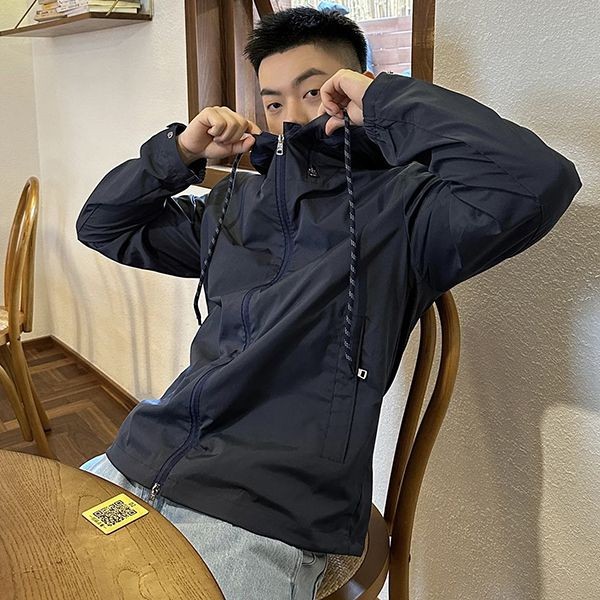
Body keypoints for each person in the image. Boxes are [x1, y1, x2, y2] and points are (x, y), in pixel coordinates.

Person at [75, 7, 582, 600]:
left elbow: (537, 182)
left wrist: (385, 101)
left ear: (353, 85)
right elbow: (103, 225)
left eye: (314, 91)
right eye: (272, 101)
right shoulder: (234, 204)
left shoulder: (404, 210)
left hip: (268, 510)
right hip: (144, 458)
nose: (291, 115)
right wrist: (181, 151)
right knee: (31, 561)